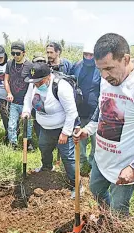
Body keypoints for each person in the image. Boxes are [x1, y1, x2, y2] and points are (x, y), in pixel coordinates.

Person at [73, 33, 134, 215]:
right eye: (100, 69)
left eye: (109, 68)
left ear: (125, 59)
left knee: (119, 210)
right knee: (96, 191)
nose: (103, 75)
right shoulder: (107, 79)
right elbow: (102, 108)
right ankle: (106, 220)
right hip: (102, 159)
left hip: (125, 166)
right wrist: (89, 129)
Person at [22, 63, 81, 199]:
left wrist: (65, 133)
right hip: (45, 127)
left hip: (63, 127)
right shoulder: (33, 84)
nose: (36, 85)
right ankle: (47, 167)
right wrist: (26, 111)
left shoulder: (60, 86)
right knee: (44, 147)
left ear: (48, 76)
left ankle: (76, 185)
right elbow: (27, 98)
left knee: (68, 157)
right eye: (34, 82)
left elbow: (72, 112)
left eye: (39, 82)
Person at [69, 42, 101, 167]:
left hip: (95, 111)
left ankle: (93, 162)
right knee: (80, 137)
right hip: (79, 110)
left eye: (91, 55)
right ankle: (81, 161)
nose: (88, 57)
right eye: (86, 54)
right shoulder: (77, 66)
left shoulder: (100, 68)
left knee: (95, 140)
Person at [5, 41, 34, 151]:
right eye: (13, 53)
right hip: (13, 102)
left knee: (28, 125)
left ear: (24, 53)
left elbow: (33, 83)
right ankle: (13, 144)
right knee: (12, 125)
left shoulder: (29, 65)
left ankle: (28, 143)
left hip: (26, 102)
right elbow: (6, 80)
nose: (15, 56)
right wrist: (8, 93)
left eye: (18, 53)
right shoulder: (9, 64)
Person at [31, 52, 48, 139]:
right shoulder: (31, 74)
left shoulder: (49, 74)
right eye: (38, 61)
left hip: (48, 106)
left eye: (42, 61)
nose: (40, 63)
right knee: (36, 122)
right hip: (36, 104)